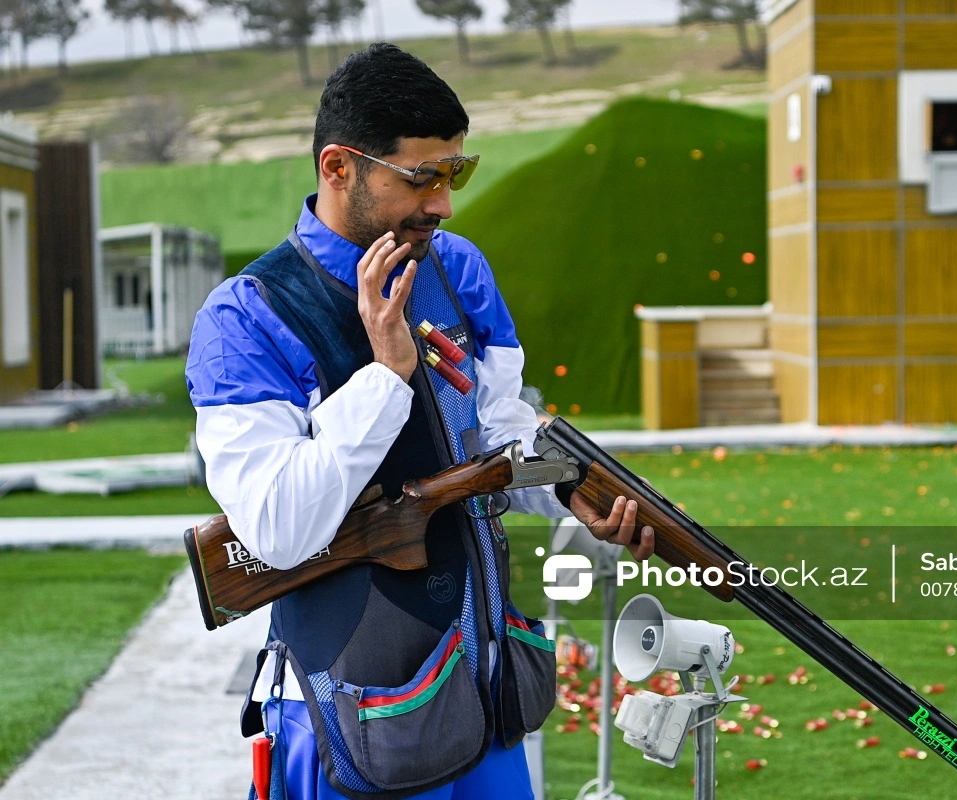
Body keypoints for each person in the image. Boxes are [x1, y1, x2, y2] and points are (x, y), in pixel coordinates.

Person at [185, 43, 654, 800]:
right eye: (422, 178)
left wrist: (573, 491)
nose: (443, 204)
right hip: (347, 717)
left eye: (454, 172)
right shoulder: (245, 318)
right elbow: (277, 531)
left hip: (482, 686)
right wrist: (386, 375)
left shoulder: (456, 267)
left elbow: (498, 432)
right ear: (340, 168)